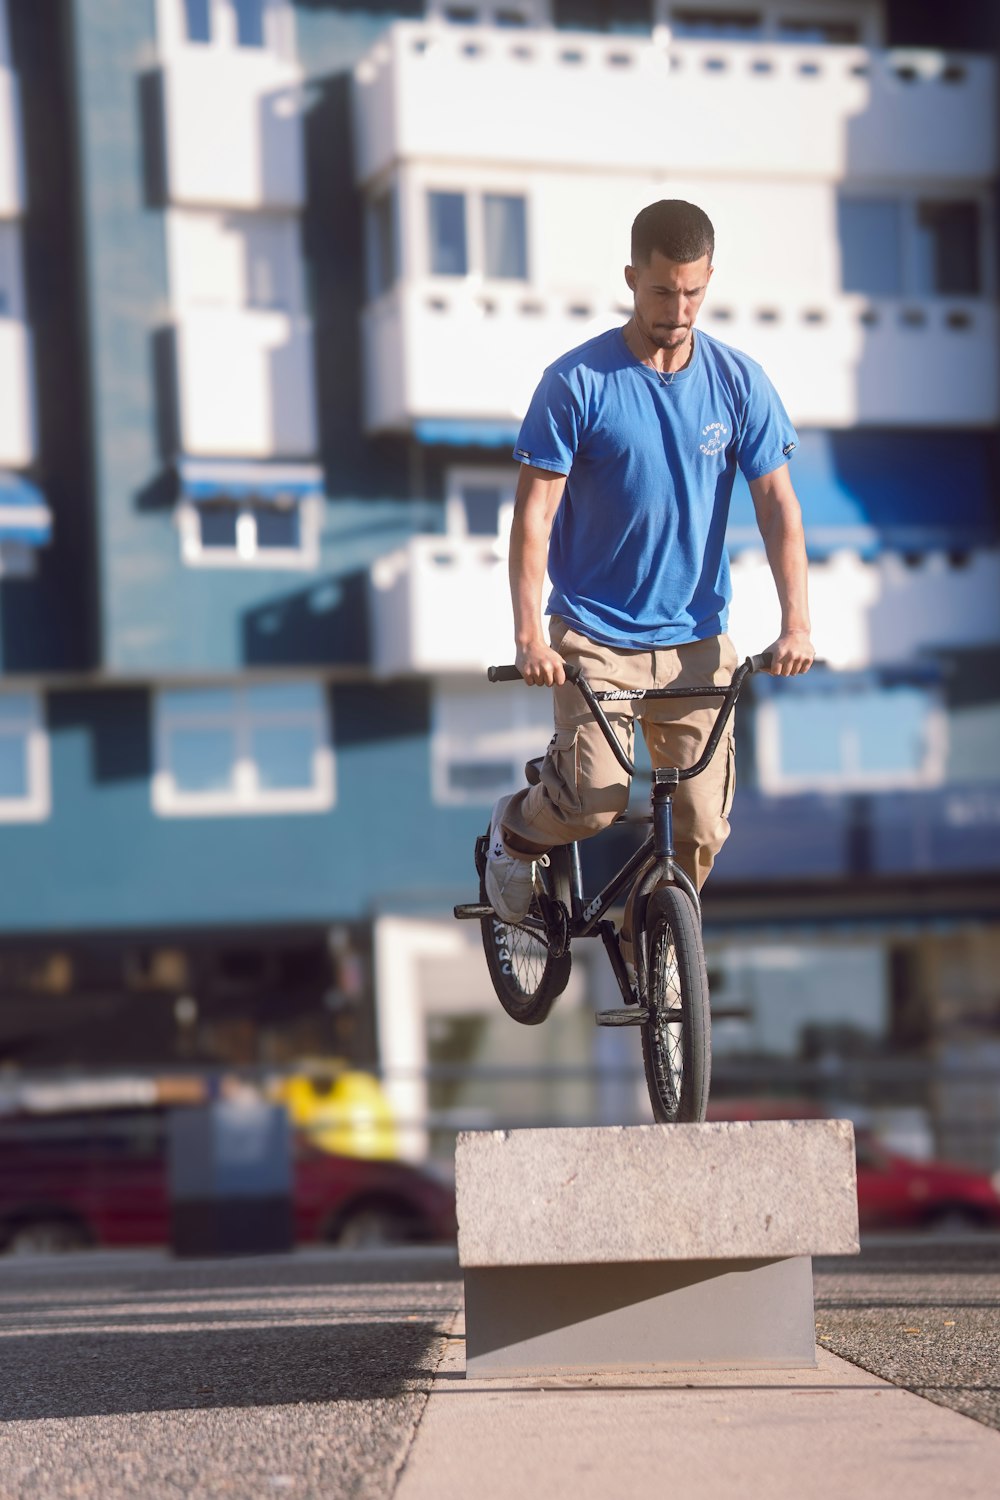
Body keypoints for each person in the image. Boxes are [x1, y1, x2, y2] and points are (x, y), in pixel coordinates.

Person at [485, 198, 815, 929]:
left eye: (693, 291)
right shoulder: (577, 383)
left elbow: (779, 509)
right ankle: (512, 838)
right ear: (632, 278)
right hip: (595, 637)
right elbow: (533, 519)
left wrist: (797, 623)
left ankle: (658, 949)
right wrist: (529, 639)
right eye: (663, 290)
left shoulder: (738, 382)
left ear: (709, 281)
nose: (679, 307)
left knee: (703, 826)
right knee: (597, 802)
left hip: (696, 640)